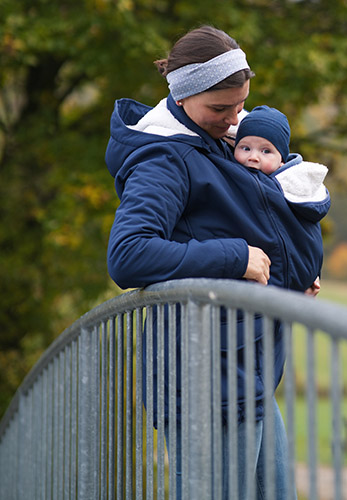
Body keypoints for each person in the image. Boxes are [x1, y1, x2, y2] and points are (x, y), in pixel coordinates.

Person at [105, 25, 328, 499]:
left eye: (239, 104)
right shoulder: (164, 158)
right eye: (219, 108)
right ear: (183, 98)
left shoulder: (216, 141)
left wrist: (293, 280)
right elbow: (128, 254)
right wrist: (234, 257)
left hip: (247, 368)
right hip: (205, 378)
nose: (233, 122)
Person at [233, 104, 330, 296]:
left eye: (266, 151)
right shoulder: (238, 180)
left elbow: (308, 236)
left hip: (281, 287)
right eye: (245, 148)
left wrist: (311, 272)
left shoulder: (292, 192)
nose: (253, 157)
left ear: (282, 161)